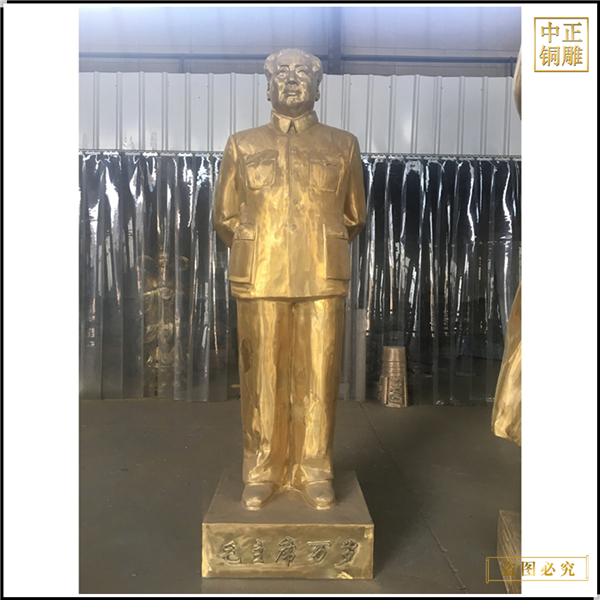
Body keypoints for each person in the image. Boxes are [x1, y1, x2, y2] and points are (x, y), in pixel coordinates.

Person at [213, 48, 366, 510]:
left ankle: (314, 470)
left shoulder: (343, 145)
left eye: (303, 72)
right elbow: (225, 215)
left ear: (318, 87)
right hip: (261, 275)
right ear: (268, 87)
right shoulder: (242, 145)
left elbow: (354, 215)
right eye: (282, 72)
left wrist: (317, 244)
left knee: (320, 374)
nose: (293, 79)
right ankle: (262, 470)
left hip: (321, 275)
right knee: (262, 376)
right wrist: (264, 247)